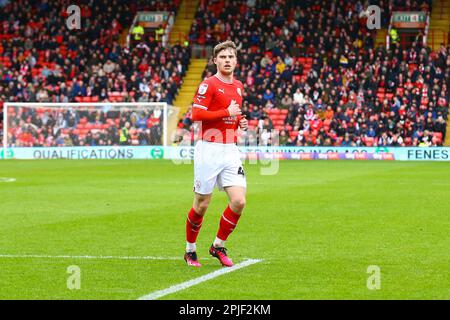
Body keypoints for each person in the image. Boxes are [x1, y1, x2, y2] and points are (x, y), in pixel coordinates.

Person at [184, 41, 248, 267]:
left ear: (236, 61)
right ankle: (190, 250)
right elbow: (196, 114)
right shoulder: (208, 84)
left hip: (230, 149)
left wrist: (240, 122)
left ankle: (218, 245)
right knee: (202, 204)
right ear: (215, 61)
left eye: (231, 56)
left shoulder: (239, 86)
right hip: (208, 149)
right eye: (223, 57)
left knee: (239, 201)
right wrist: (226, 112)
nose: (228, 60)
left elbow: (234, 113)